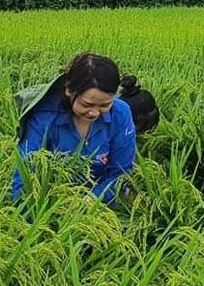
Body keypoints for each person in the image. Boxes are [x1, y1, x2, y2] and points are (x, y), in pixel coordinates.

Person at [11, 52, 159, 205]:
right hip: (52, 198)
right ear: (69, 90)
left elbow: (120, 172)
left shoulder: (120, 114)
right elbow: (26, 168)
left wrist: (92, 199)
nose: (94, 113)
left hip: (100, 198)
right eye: (86, 104)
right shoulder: (44, 115)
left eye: (105, 105)